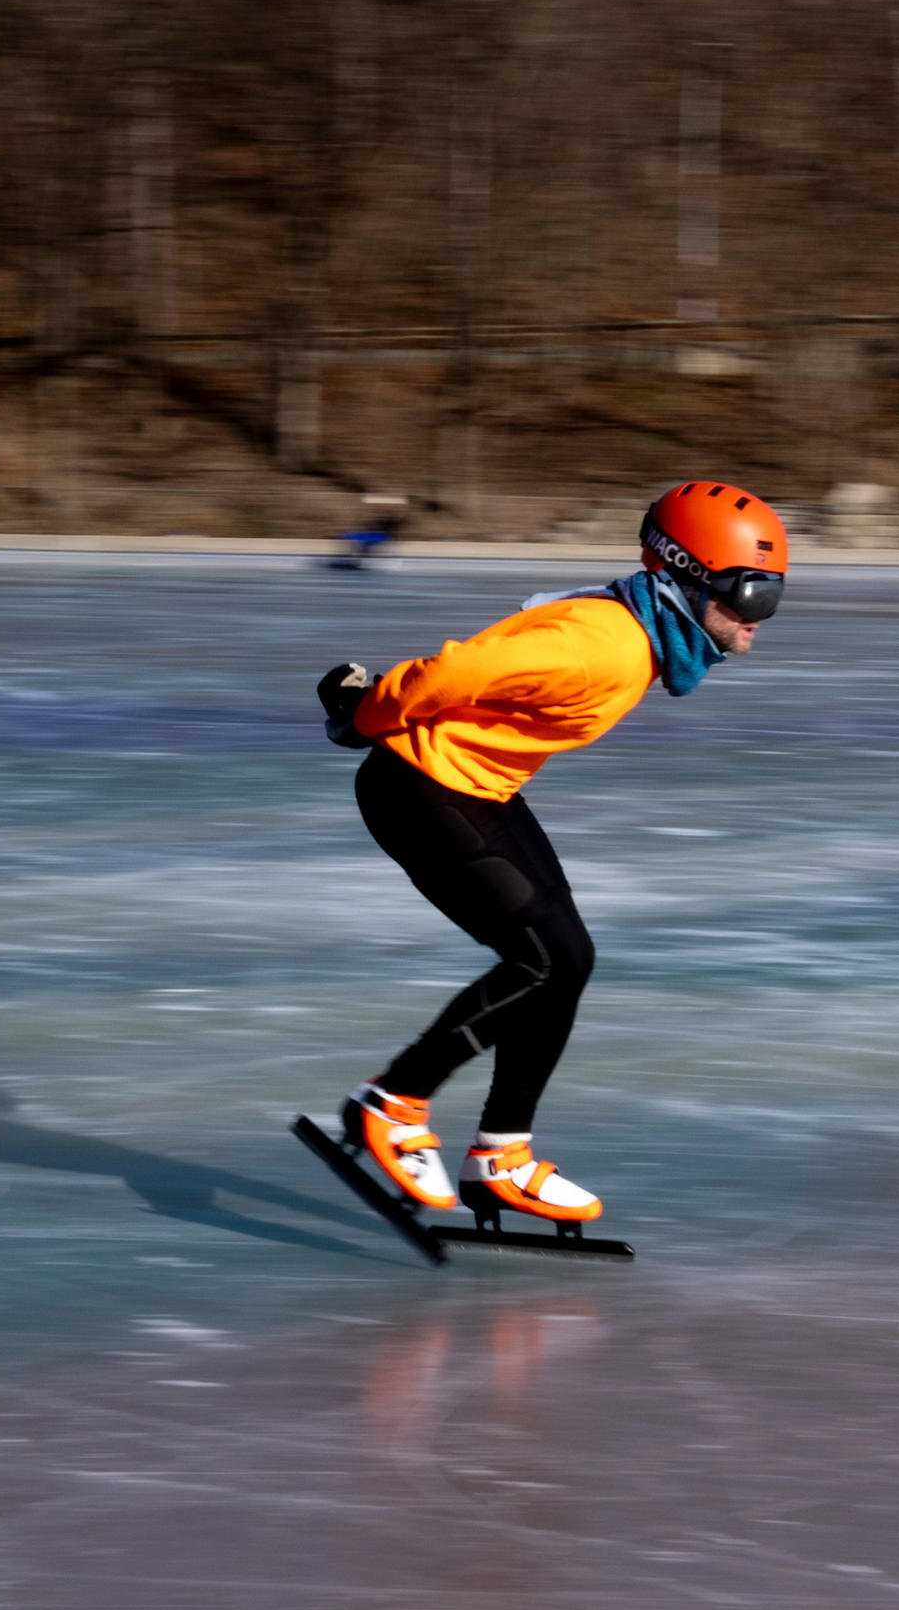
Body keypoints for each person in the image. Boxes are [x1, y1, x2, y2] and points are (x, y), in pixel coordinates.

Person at [312, 480, 789, 1226]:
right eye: (752, 597)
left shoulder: (631, 632)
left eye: (774, 599)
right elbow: (459, 669)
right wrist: (370, 712)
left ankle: (502, 1156)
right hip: (422, 790)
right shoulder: (604, 647)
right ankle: (393, 1104)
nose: (761, 621)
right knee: (542, 961)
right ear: (688, 578)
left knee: (566, 960)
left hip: (476, 785)